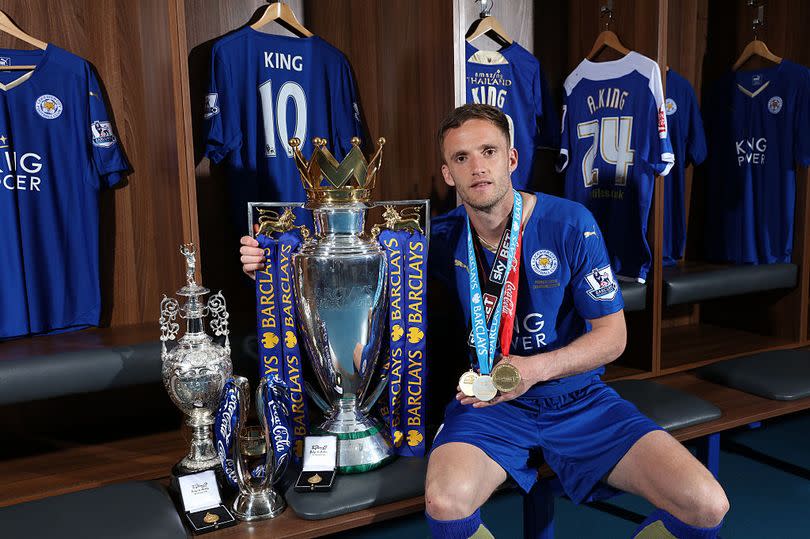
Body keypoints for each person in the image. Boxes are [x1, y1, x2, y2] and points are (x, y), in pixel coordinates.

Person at [238, 104, 729, 539]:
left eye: (488, 152)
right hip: (489, 405)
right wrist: (274, 259)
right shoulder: (431, 242)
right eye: (461, 158)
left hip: (578, 401)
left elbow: (613, 337)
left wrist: (535, 370)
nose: (477, 167)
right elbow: (345, 267)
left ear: (511, 159)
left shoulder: (570, 223)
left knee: (706, 505)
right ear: (447, 174)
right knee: (445, 503)